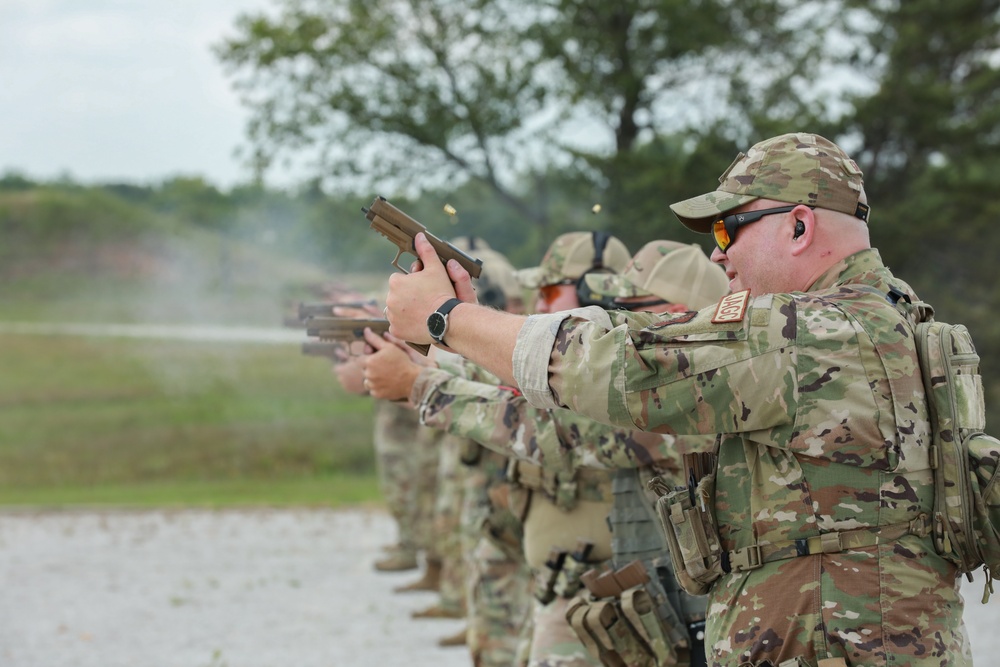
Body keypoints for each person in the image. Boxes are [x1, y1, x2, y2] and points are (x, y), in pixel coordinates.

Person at [382, 132, 972, 666]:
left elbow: (614, 366)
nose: (719, 254)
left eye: (727, 228)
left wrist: (446, 319)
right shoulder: (892, 316)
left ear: (799, 226)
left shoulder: (815, 331)